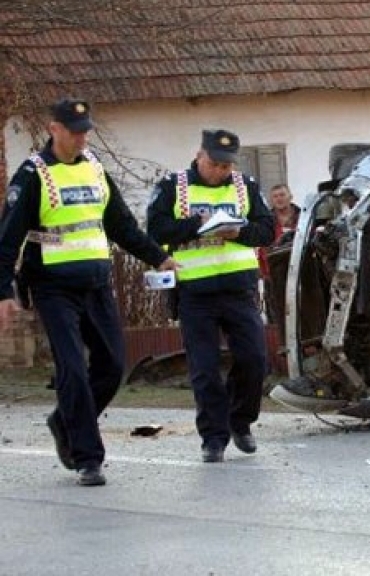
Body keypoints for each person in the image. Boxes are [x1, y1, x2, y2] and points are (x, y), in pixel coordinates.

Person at [0, 98, 177, 486]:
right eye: (75, 131)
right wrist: (3, 292)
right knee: (72, 371)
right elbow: (7, 239)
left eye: (85, 131)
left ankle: (64, 421)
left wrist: (157, 258)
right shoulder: (33, 175)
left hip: (96, 283)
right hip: (52, 286)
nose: (82, 138)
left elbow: (121, 225)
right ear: (54, 129)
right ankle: (87, 458)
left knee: (113, 367)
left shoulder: (96, 169)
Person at [147, 129, 274, 463]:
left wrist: (240, 232)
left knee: (255, 360)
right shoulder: (173, 186)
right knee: (204, 368)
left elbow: (267, 229)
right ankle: (213, 438)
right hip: (195, 292)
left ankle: (240, 420)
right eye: (215, 164)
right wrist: (195, 225)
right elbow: (155, 230)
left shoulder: (245, 185)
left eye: (227, 166)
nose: (221, 171)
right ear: (199, 155)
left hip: (238, 289)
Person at [257, 183, 300, 324]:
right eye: (275, 196)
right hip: (273, 276)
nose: (279, 199)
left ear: (290, 197)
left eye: (282, 195)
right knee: (276, 318)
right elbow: (262, 248)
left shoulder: (304, 217)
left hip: (301, 275)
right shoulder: (266, 221)